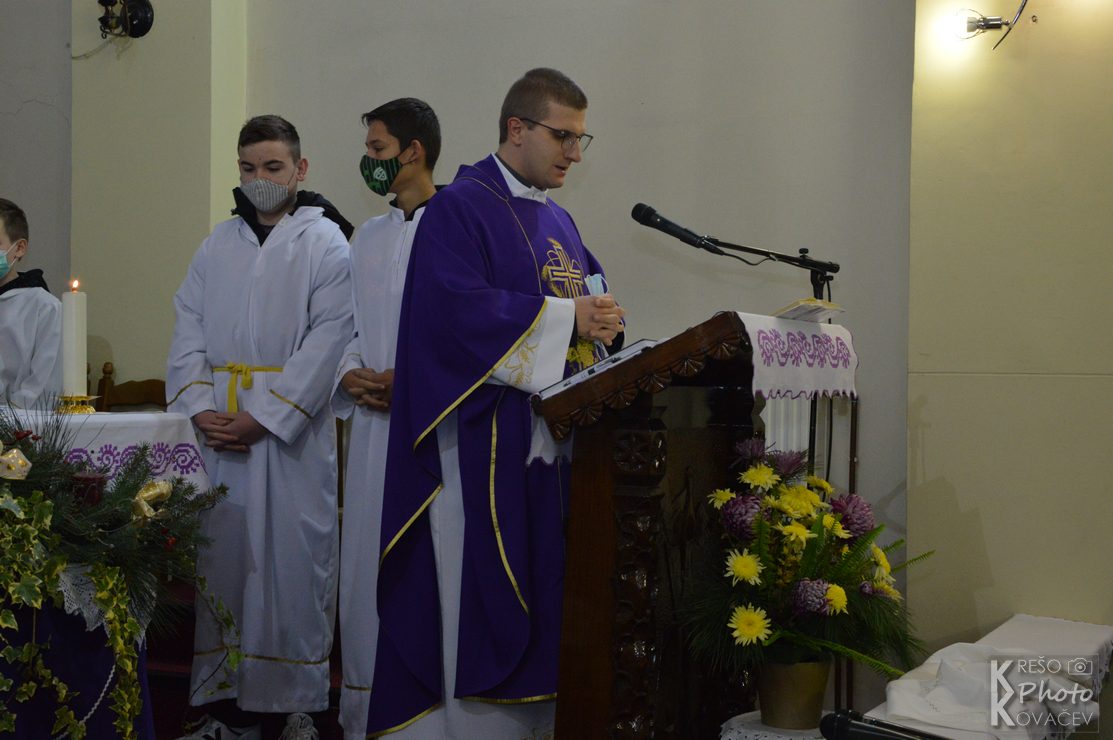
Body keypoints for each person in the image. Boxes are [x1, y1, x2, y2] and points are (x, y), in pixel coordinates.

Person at [367, 68, 625, 738]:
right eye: (564, 136)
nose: (574, 153)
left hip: (551, 457)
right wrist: (569, 318)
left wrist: (606, 325)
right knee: (479, 607)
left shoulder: (559, 219)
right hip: (479, 455)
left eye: (581, 138)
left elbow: (589, 303)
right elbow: (456, 315)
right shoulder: (459, 207)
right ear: (517, 128)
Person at [167, 114, 354, 740]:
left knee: (292, 567)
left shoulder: (326, 243)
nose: (260, 179)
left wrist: (265, 417)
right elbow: (188, 327)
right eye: (248, 168)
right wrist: (199, 407)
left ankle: (296, 704)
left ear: (300, 169)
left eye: (273, 167)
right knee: (224, 565)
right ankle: (225, 708)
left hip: (287, 439)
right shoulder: (217, 244)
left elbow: (331, 337)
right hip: (220, 428)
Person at [331, 98, 441, 740]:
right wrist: (350, 371)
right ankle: (364, 717)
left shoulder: (453, 227)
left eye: (377, 150)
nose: (369, 161)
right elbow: (351, 325)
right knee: (363, 571)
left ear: (413, 151)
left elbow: (463, 332)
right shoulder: (367, 237)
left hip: (428, 431)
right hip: (372, 430)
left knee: (420, 570)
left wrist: (416, 381)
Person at [0, 198, 61, 409]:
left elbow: (43, 383)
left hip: (17, 421)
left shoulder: (43, 307)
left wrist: (9, 419)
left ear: (19, 248)